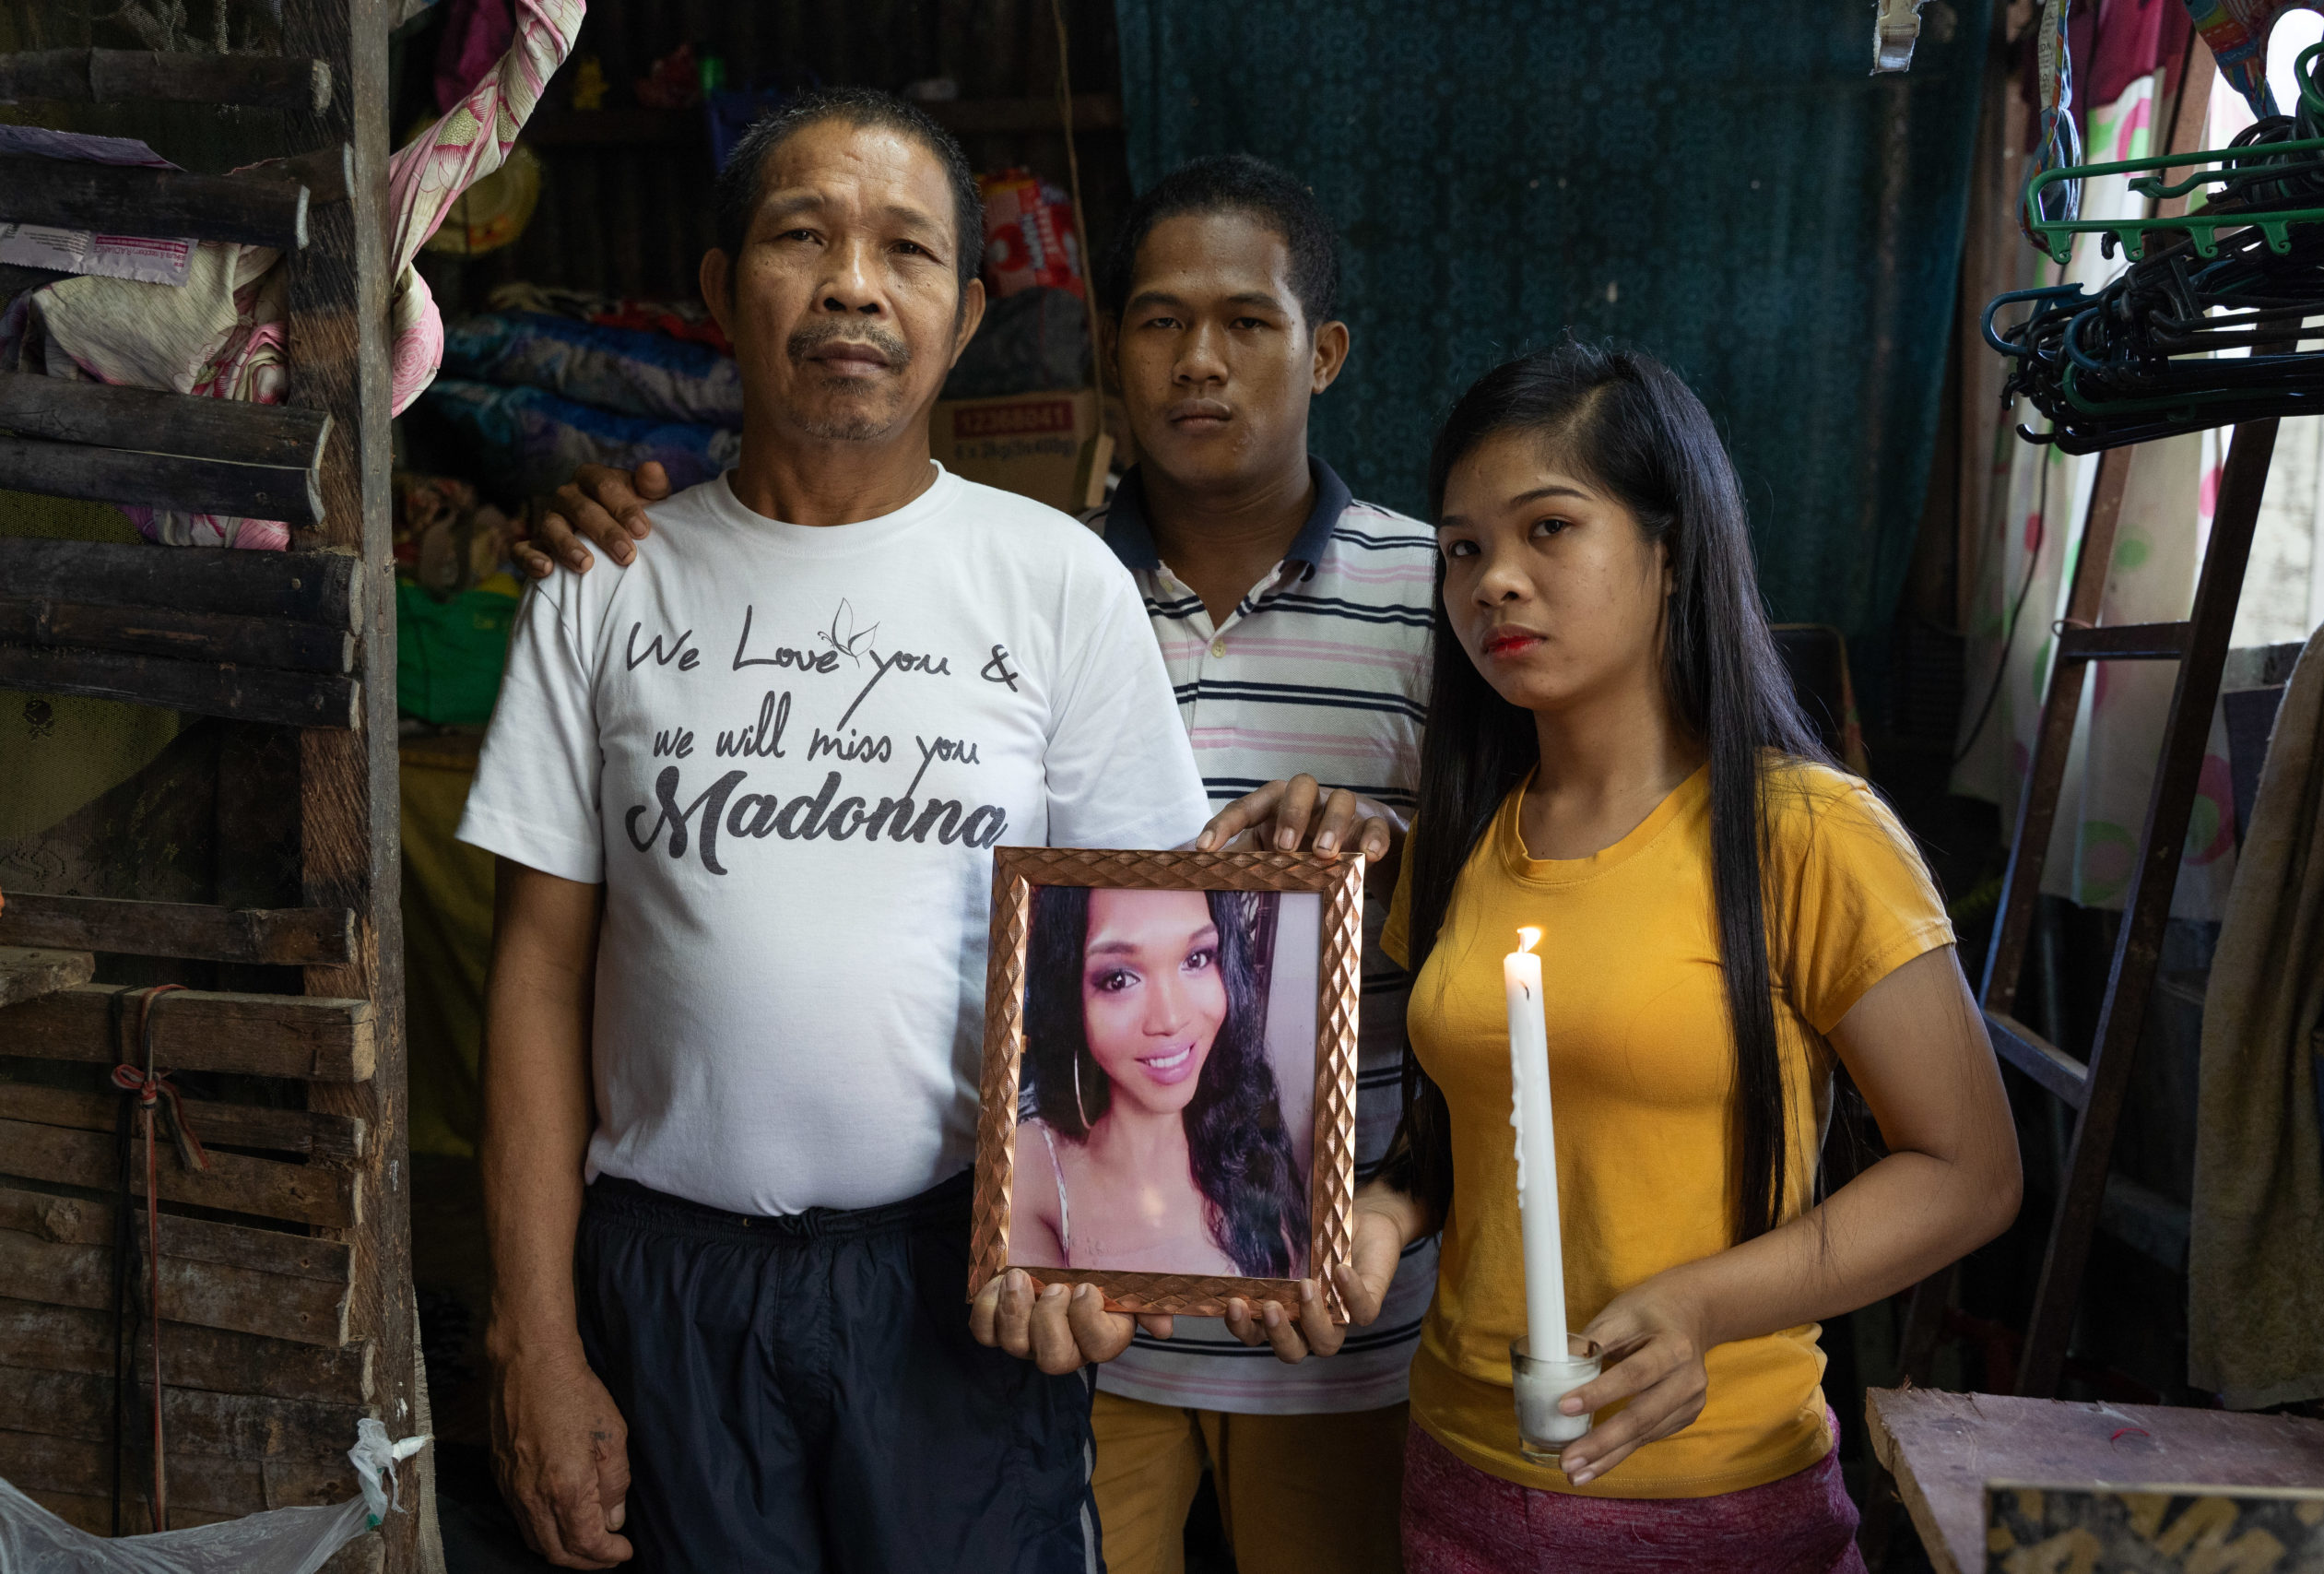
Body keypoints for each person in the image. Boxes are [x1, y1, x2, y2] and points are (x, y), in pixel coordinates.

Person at [459, 89, 1385, 1574]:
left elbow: (1145, 930)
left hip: (956, 1276)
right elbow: (535, 977)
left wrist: (1101, 1254)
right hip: (668, 1277)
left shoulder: (1053, 582)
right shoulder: (602, 583)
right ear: (719, 291)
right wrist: (534, 1338)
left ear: (960, 317)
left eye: (905, 250)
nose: (851, 283)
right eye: (801, 237)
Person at [1203, 341, 2023, 1573]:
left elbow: (1969, 1169)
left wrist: (1704, 1303)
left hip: (1718, 1497)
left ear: (1672, 549)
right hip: (1459, 1479)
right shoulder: (1468, 839)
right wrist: (1384, 1209)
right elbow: (1471, 1136)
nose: (1497, 583)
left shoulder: (1805, 835)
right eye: (1467, 548)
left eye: (1550, 529)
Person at [1013, 886, 1308, 1278]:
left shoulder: (1252, 1137)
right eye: (1119, 979)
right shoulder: (1029, 1167)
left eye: (1196, 959)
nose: (1169, 1020)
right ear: (1070, 998)